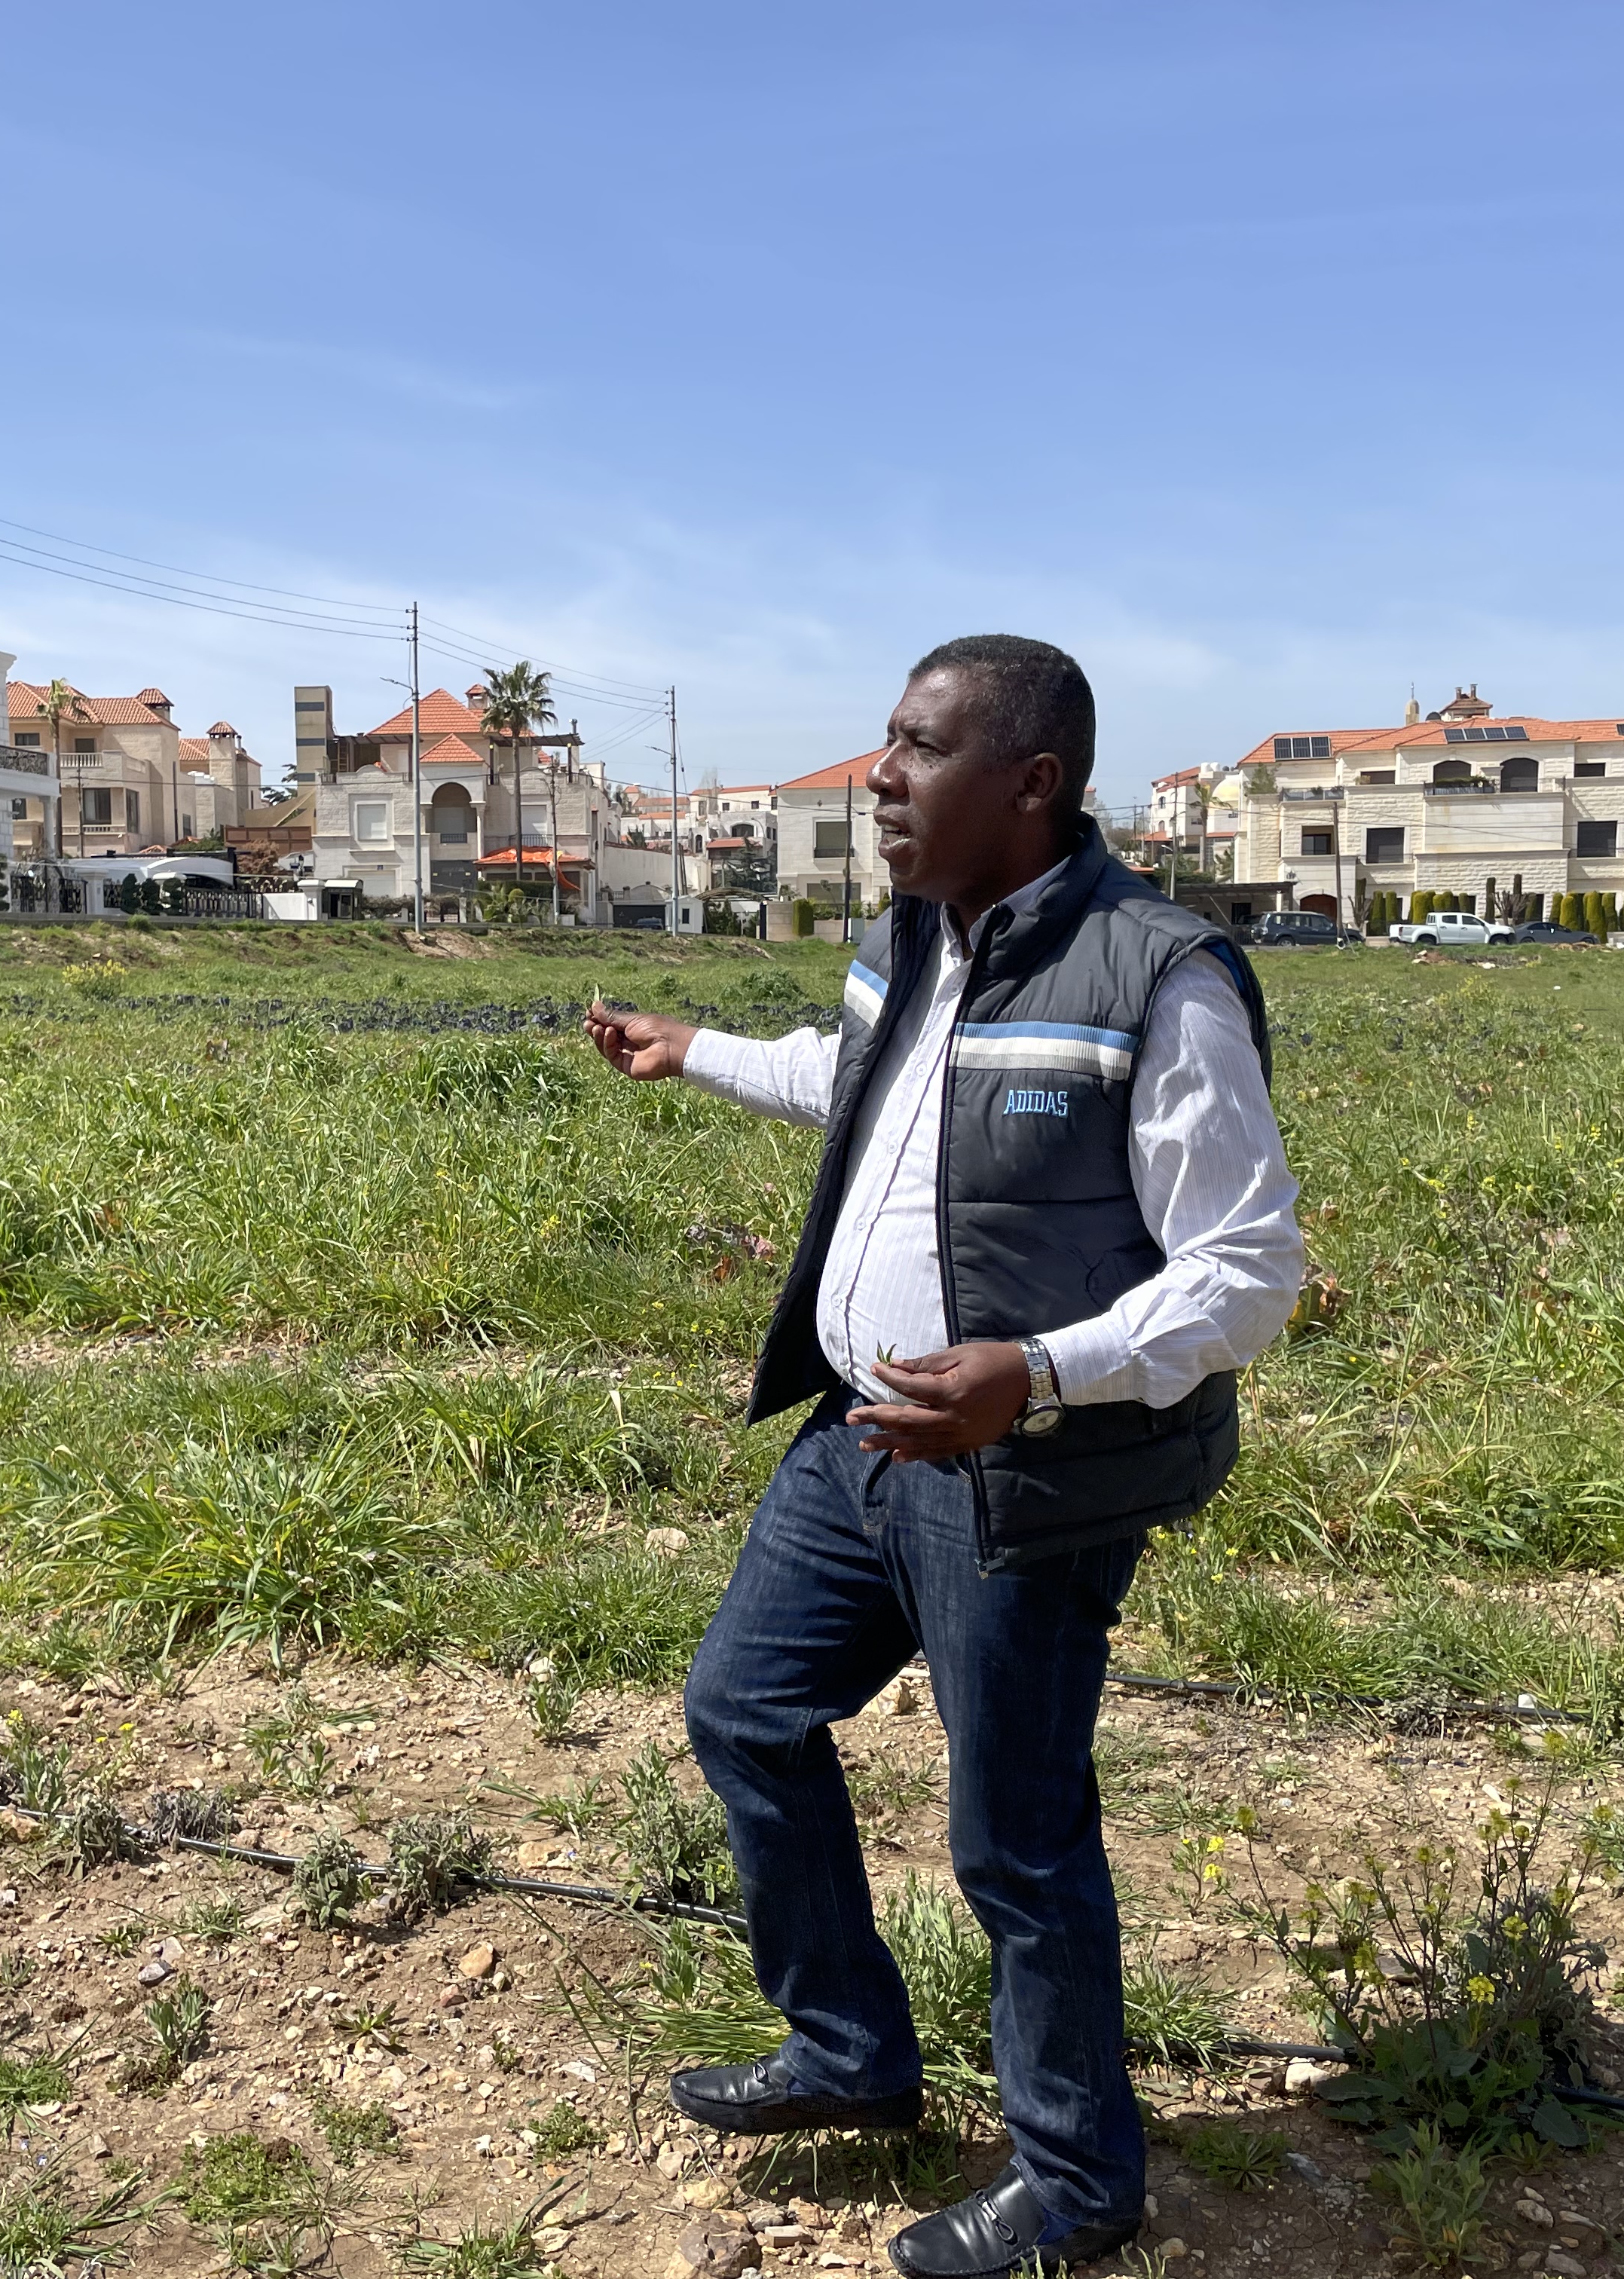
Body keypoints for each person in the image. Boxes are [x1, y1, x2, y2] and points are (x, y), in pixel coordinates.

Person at [583, 636, 1301, 2277]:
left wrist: (1035, 1379)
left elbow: (1247, 1270)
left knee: (1017, 1843)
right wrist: (695, 1051)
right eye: (884, 744)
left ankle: (1077, 2190)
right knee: (744, 1710)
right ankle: (850, 2047)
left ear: (1031, 782)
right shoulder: (911, 936)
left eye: (916, 747)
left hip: (1023, 1479)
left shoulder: (1154, 978)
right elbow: (859, 1092)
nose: (882, 777)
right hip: (864, 1444)